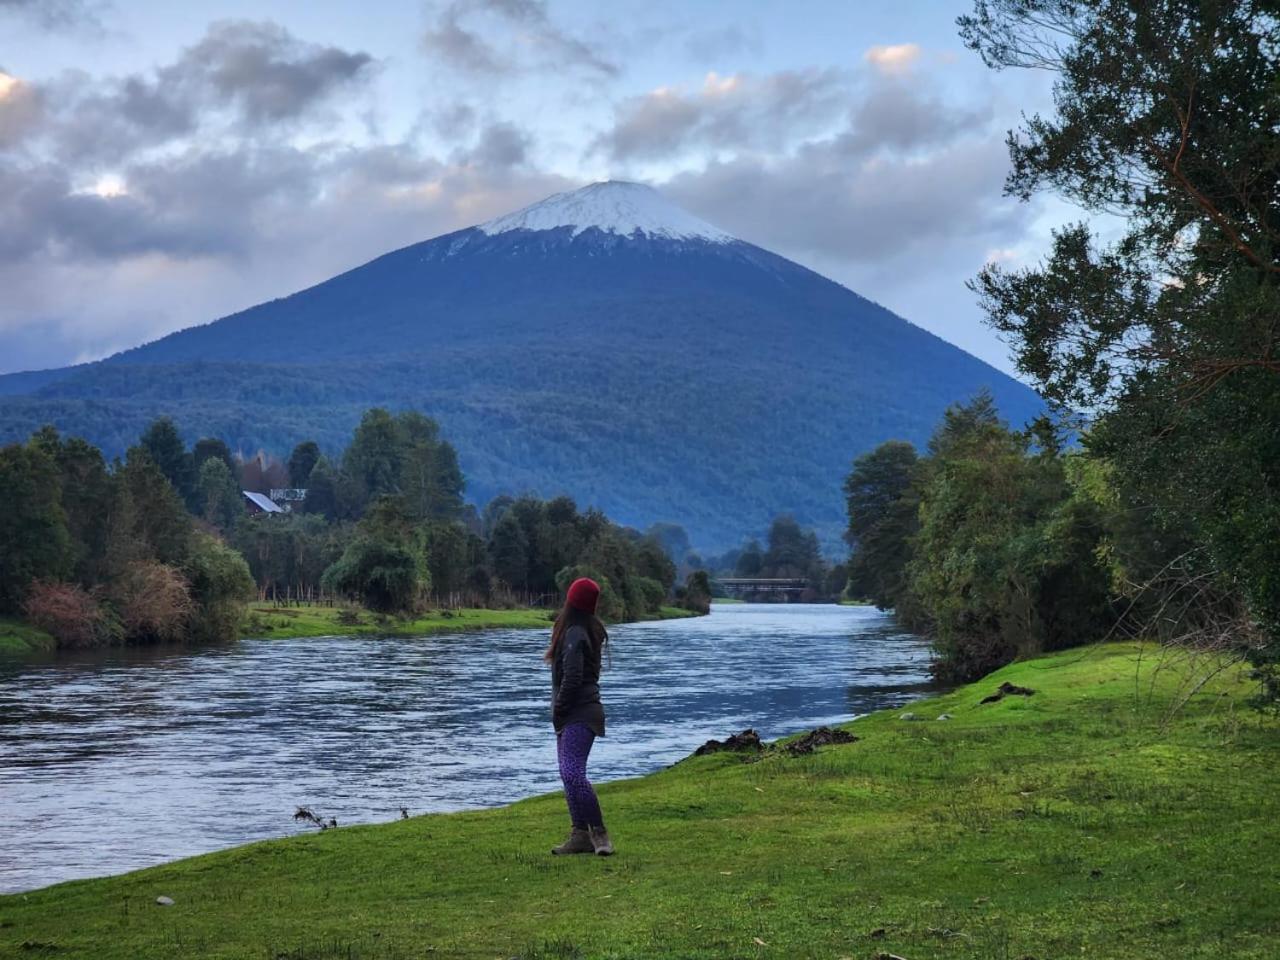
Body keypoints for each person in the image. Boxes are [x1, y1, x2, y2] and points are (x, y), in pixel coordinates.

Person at [546, 577, 613, 856]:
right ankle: (579, 834)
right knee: (567, 773)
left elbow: (572, 678)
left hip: (579, 712)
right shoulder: (584, 629)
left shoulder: (574, 633)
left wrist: (559, 708)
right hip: (575, 712)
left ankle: (599, 833)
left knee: (573, 773)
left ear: (571, 600)